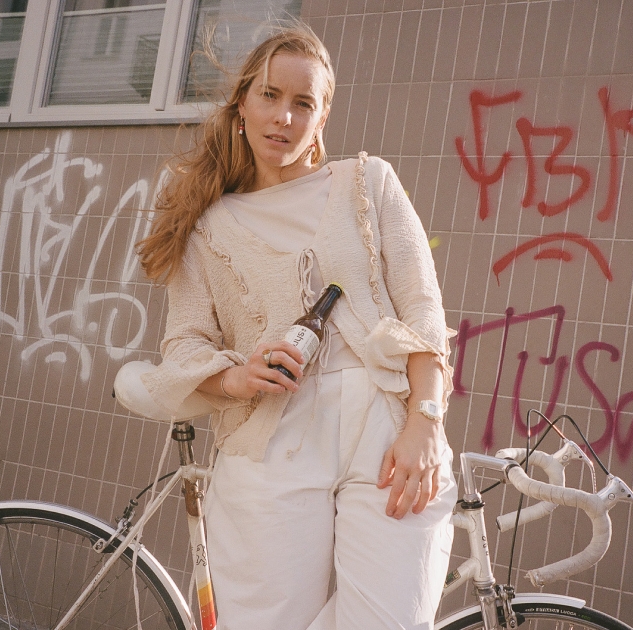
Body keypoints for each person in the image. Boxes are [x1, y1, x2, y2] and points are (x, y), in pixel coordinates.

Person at [136, 23, 455, 630]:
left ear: (322, 116)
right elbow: (184, 343)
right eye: (270, 95)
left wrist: (425, 421)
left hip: (387, 432)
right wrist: (236, 377)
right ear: (242, 105)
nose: (283, 116)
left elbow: (423, 310)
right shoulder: (207, 226)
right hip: (269, 441)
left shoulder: (368, 184)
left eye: (303, 103)